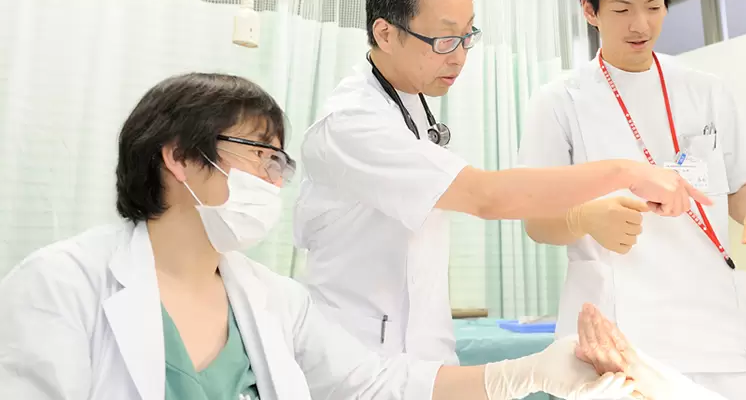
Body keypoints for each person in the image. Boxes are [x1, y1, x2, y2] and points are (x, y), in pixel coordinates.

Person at [0, 72, 643, 400]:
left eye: (280, 162)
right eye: (259, 154)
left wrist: (529, 372)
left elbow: (377, 384)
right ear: (179, 157)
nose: (273, 178)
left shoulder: (274, 302)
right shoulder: (62, 284)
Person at [294, 0, 711, 368]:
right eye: (444, 40)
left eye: (467, 36)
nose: (459, 57)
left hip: (421, 358)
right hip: (353, 361)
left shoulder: (411, 103)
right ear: (385, 33)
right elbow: (486, 196)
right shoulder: (350, 123)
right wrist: (627, 172)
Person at [517, 0, 746, 400]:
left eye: (653, 6)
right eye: (622, 10)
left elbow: (739, 189)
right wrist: (583, 218)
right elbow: (535, 221)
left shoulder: (706, 91)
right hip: (616, 342)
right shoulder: (560, 101)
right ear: (590, 10)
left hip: (714, 336)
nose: (641, 25)